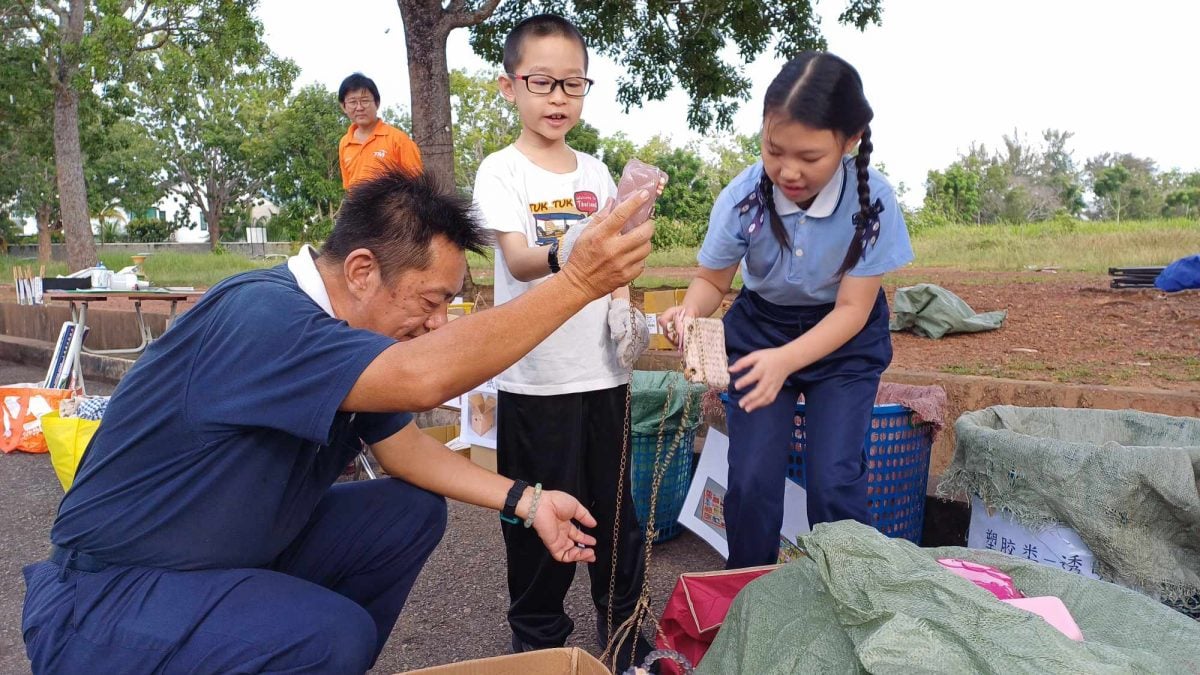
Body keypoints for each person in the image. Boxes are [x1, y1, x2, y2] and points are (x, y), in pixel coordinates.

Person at [22, 167, 655, 674]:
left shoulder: (336, 332)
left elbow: (405, 451)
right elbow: (425, 376)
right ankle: (305, 649)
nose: (438, 322)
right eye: (431, 302)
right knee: (332, 635)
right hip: (105, 601)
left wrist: (526, 498)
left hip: (216, 563)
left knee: (407, 513)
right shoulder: (265, 319)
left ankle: (295, 651)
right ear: (360, 270)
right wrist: (577, 280)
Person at [660, 52, 914, 569]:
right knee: (752, 478)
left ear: (851, 141)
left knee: (834, 479)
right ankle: (748, 593)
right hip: (759, 334)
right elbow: (712, 280)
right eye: (774, 150)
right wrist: (688, 311)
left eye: (810, 157)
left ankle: (849, 593)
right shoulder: (744, 196)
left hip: (843, 344)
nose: (788, 171)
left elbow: (850, 311)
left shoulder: (875, 204)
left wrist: (786, 361)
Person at [470, 13, 654, 667]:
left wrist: (625, 311)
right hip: (535, 380)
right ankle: (539, 640)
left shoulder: (598, 172)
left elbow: (617, 269)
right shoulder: (501, 171)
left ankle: (627, 636)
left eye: (572, 85)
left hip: (603, 377)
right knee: (537, 523)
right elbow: (519, 260)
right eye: (542, 81)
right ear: (508, 86)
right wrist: (576, 248)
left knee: (614, 518)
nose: (557, 98)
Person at [338, 72, 423, 188]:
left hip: (392, 206)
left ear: (377, 103)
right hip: (360, 206)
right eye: (353, 102)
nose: (359, 107)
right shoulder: (344, 143)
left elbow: (417, 186)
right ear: (343, 106)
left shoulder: (398, 140)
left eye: (365, 101)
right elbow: (349, 188)